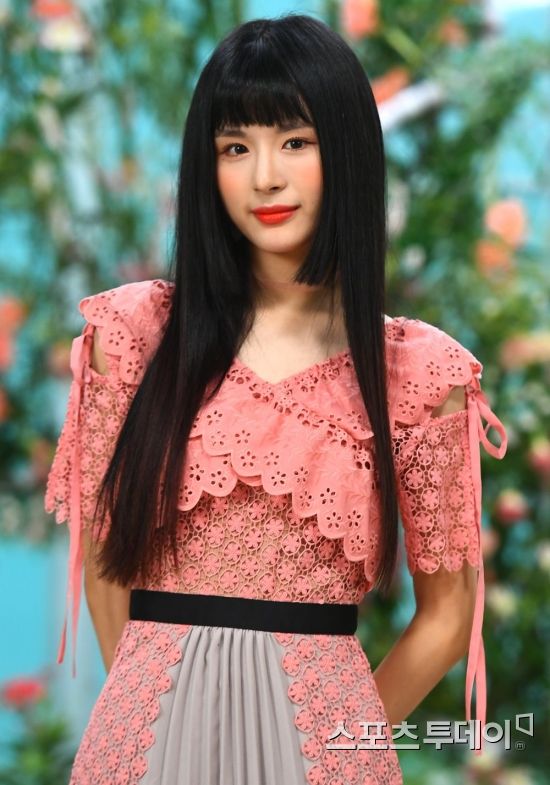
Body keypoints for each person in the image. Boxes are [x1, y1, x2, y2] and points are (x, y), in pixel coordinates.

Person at [44, 13, 508, 785]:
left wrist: (343, 745)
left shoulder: (418, 372)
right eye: (235, 147)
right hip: (140, 745)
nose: (264, 176)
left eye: (295, 141)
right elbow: (101, 562)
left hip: (326, 753)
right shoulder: (133, 334)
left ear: (348, 152)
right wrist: (149, 712)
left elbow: (449, 612)